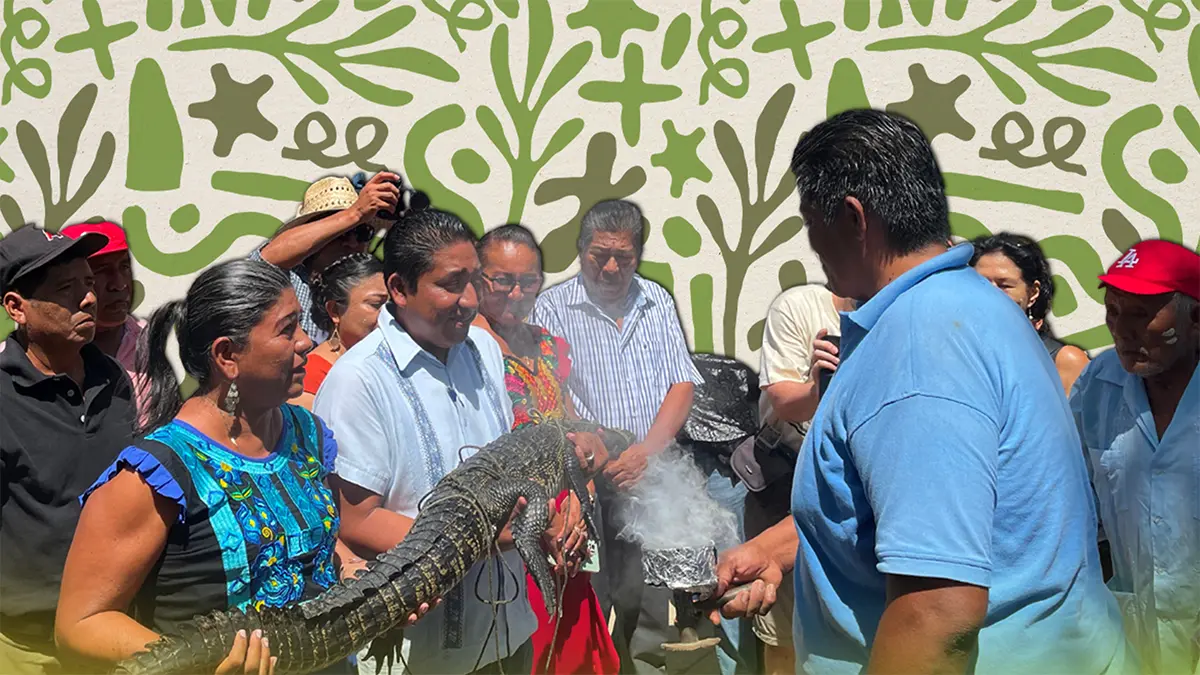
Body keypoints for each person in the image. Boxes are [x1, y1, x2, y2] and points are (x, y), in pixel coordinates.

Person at [712, 109, 1127, 674]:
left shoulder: (918, 347)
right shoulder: (967, 306)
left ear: (854, 218)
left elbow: (938, 612)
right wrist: (773, 551)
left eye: (811, 221)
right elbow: (917, 511)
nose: (811, 244)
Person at [53, 259, 431, 674]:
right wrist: (203, 661)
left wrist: (357, 576)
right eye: (287, 330)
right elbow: (82, 622)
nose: (306, 342)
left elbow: (305, 545)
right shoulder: (154, 475)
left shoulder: (306, 434)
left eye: (301, 325)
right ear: (227, 355)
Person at [317, 209, 590, 675]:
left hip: (507, 630)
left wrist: (552, 514)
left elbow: (510, 469)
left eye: (473, 281)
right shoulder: (358, 381)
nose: (468, 299)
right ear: (399, 289)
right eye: (450, 284)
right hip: (412, 650)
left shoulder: (482, 350)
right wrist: (486, 536)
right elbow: (355, 522)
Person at [530, 200, 718, 675]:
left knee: (652, 604)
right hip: (586, 480)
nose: (611, 268)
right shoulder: (552, 307)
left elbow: (681, 383)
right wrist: (597, 451)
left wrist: (646, 454)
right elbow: (555, 391)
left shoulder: (655, 301)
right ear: (580, 250)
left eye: (624, 257)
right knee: (589, 595)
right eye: (599, 256)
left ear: (638, 254)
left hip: (651, 477)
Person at [471, 224, 618, 675]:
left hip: (570, 515)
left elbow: (573, 425)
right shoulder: (468, 348)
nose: (516, 294)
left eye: (529, 281)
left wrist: (582, 487)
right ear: (478, 281)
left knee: (569, 648)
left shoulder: (548, 346)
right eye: (503, 281)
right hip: (515, 522)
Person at [0, 225, 135, 674]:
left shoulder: (113, 381)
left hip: (115, 634)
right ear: (17, 308)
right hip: (28, 647)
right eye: (66, 289)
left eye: (88, 284)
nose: (89, 299)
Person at [1071, 239, 1200, 675]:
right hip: (1132, 638)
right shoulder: (1097, 384)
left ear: (1196, 319)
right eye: (1113, 311)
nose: (1121, 330)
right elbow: (1077, 501)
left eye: (1141, 314)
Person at [740, 283, 852, 675]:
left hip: (860, 493)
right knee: (783, 632)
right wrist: (820, 384)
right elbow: (785, 402)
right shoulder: (801, 306)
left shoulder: (906, 317)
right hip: (788, 482)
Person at [252, 172, 401, 344]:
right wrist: (356, 213)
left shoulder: (374, 283)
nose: (352, 243)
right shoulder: (287, 279)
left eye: (361, 233)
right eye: (340, 233)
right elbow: (266, 259)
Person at [971, 232, 1090, 396]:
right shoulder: (960, 353)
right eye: (981, 283)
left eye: (1004, 285)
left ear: (1033, 293)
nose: (990, 293)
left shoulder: (1065, 361)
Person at [60, 221, 150, 416]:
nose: (119, 284)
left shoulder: (153, 343)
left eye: (124, 267)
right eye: (100, 271)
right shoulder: (23, 361)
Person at [292, 252, 387, 410]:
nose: (387, 314)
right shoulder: (310, 377)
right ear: (335, 311)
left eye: (392, 305)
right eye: (376, 304)